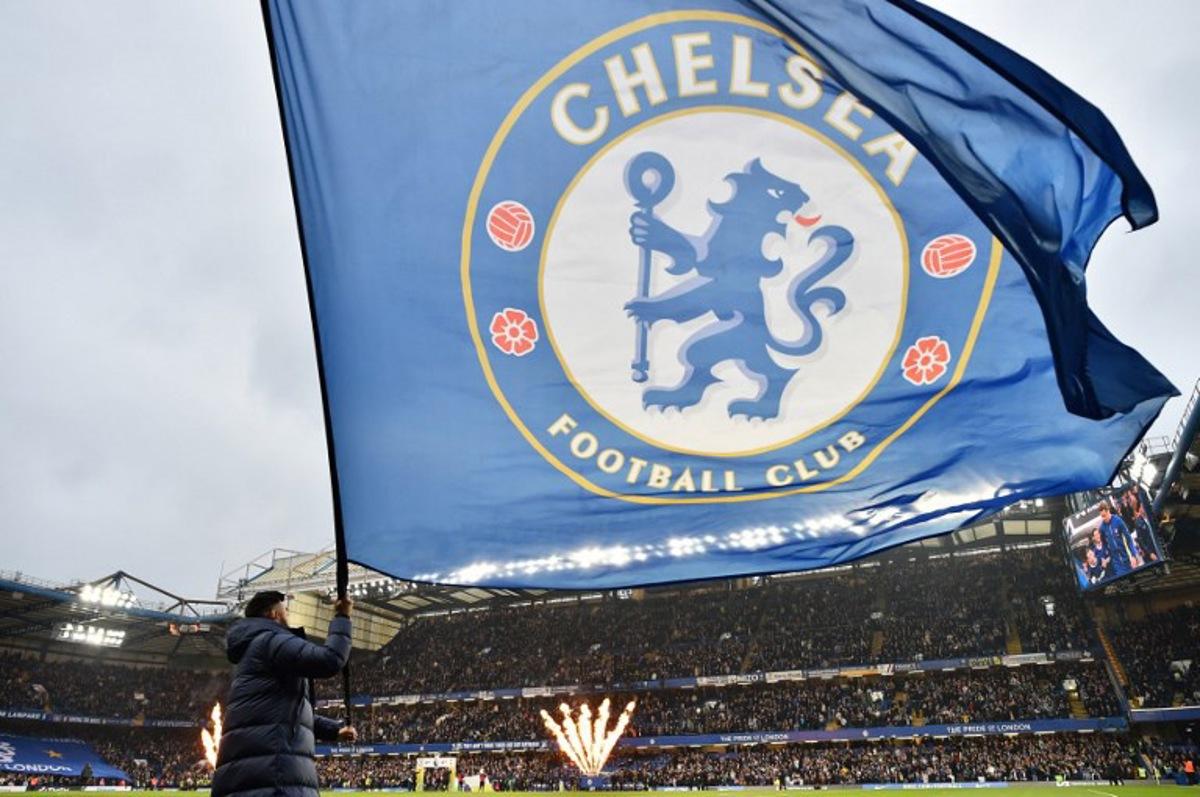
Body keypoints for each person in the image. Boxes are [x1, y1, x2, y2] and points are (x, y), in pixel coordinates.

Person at [212, 590, 356, 797]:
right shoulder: (272, 640)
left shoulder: (252, 651)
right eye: (285, 609)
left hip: (255, 773)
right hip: (274, 775)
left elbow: (281, 713)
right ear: (273, 613)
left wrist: (333, 731)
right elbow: (330, 660)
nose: (287, 614)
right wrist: (342, 617)